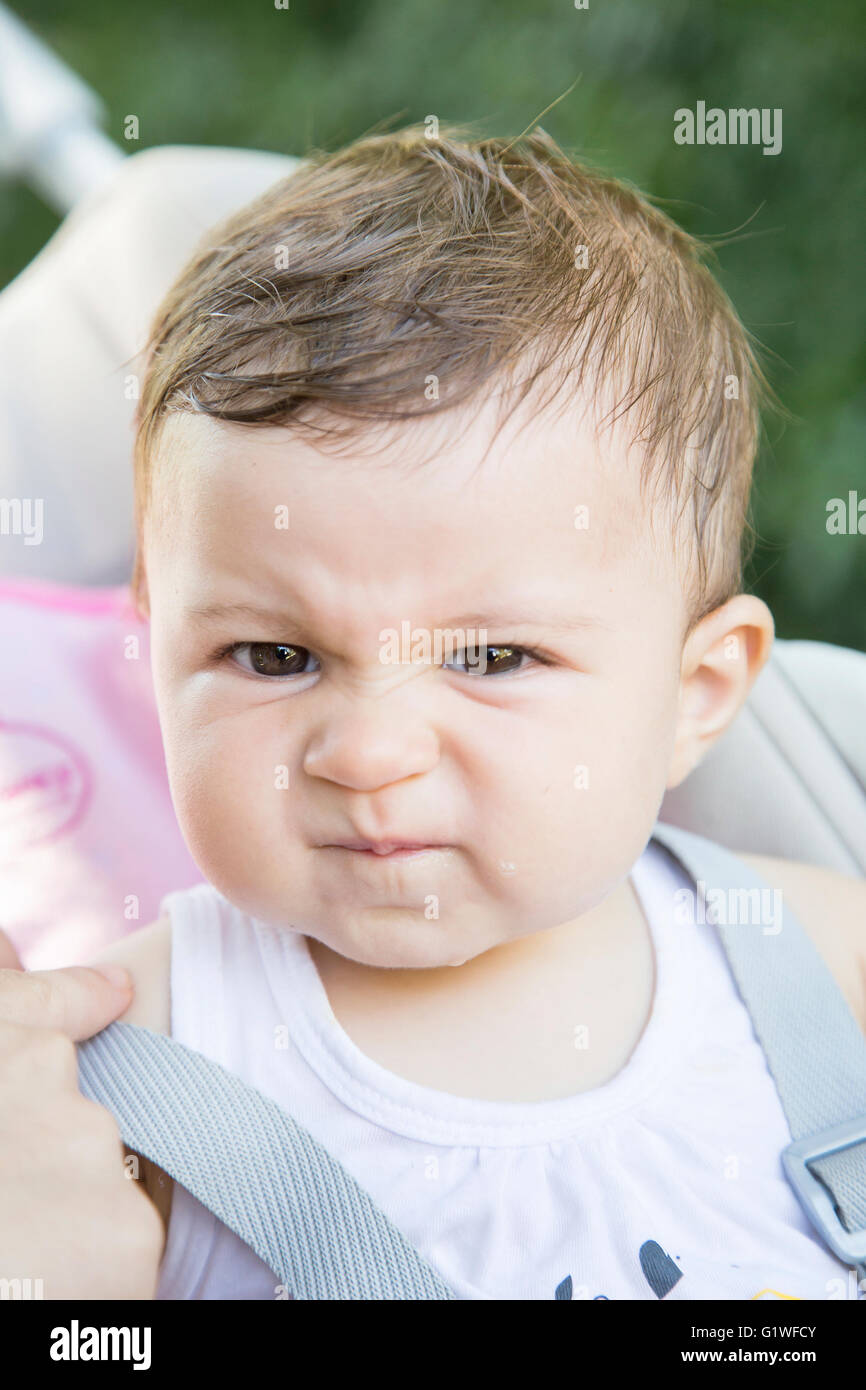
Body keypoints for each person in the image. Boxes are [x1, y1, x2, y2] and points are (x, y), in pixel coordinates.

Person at [58, 123, 866, 1298]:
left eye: (490, 656)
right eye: (273, 654)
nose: (370, 754)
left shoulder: (824, 966)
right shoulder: (118, 1077)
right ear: (156, 647)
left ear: (693, 693)